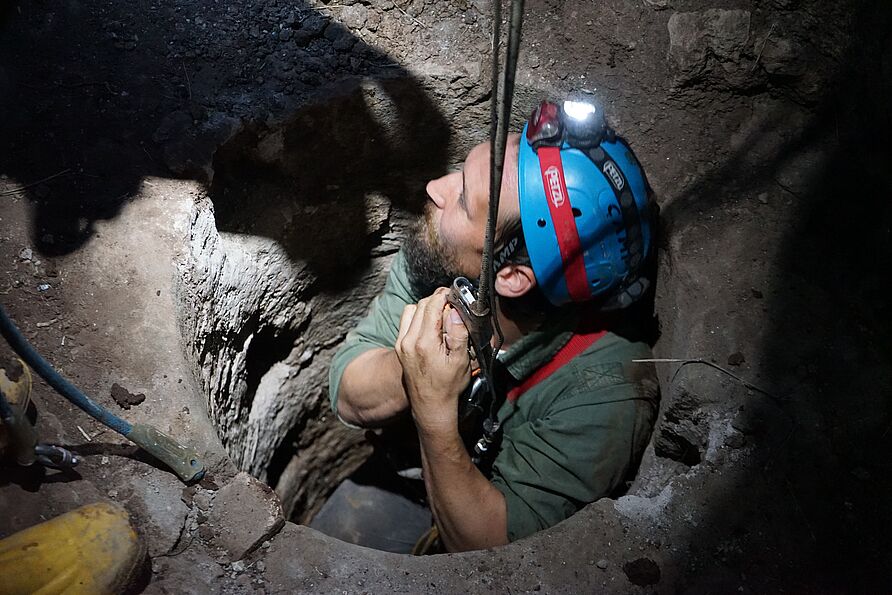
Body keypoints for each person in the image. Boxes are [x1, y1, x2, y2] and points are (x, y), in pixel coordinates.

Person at [327, 99, 660, 553]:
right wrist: (414, 372)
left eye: (463, 198)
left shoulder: (605, 395)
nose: (434, 189)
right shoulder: (444, 257)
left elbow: (490, 553)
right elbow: (347, 391)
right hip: (412, 483)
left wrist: (435, 409)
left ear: (511, 277)